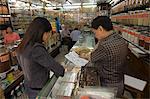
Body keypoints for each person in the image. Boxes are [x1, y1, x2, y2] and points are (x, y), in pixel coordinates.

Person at [16, 17, 65, 99]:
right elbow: (57, 68)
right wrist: (62, 69)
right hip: (39, 89)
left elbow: (21, 67)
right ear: (43, 33)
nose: (49, 37)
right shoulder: (36, 49)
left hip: (29, 86)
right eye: (49, 34)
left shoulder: (23, 45)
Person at [90, 16, 128, 98]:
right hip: (119, 81)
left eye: (95, 32)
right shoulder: (120, 38)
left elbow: (92, 57)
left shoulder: (104, 45)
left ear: (100, 29)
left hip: (108, 85)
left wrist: (100, 40)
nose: (95, 36)